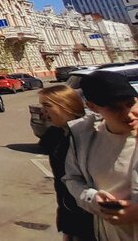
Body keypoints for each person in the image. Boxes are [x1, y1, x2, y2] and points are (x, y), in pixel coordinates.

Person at [63, 71, 138, 240]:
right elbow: (72, 179)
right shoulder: (84, 139)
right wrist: (92, 199)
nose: (127, 113)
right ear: (92, 107)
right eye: (114, 108)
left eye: (130, 103)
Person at [38, 84, 95, 241]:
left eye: (47, 105)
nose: (43, 111)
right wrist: (67, 224)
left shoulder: (91, 133)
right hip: (72, 214)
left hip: (95, 214)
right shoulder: (55, 136)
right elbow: (61, 184)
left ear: (66, 105)